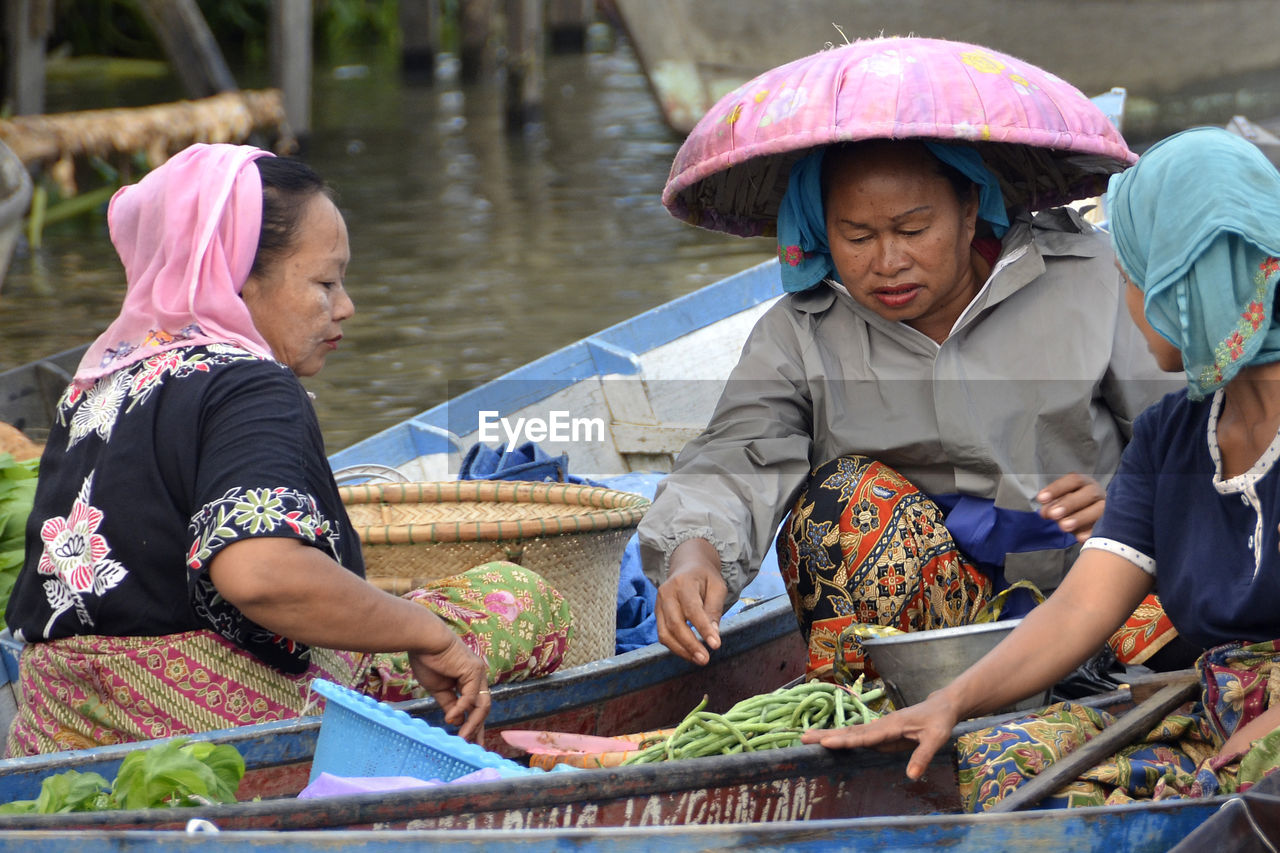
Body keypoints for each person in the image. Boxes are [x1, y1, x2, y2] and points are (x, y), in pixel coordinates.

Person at [3, 143, 573, 757]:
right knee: (521, 598)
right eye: (325, 282)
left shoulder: (99, 381)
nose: (345, 307)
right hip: (198, 725)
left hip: (57, 718)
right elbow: (260, 573)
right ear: (233, 274)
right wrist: (429, 635)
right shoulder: (252, 383)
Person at [802, 126, 1280, 809]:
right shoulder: (1171, 437)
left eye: (1134, 276)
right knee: (1000, 759)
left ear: (1189, 283)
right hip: (1217, 703)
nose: (1125, 298)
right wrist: (951, 702)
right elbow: (1082, 606)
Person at [639, 136, 1179, 681]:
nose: (888, 262)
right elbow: (739, 451)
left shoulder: (1093, 279)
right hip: (934, 630)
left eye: (913, 230)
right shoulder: (801, 332)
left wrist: (1128, 510)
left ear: (969, 210)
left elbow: (1193, 436)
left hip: (1102, 594)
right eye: (857, 237)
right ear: (824, 228)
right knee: (835, 501)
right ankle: (908, 708)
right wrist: (695, 552)